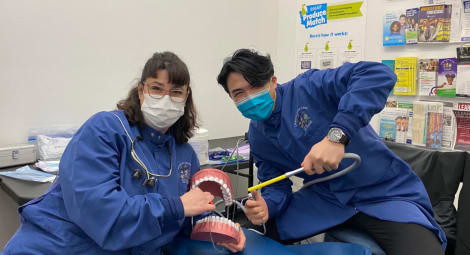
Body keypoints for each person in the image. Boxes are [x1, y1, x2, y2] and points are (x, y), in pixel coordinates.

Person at [3, 52, 246, 254]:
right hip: (60, 246)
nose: (165, 99)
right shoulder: (104, 130)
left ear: (186, 98)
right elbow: (102, 214)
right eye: (156, 88)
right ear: (141, 91)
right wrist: (176, 207)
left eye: (175, 92)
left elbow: (183, 217)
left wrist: (217, 230)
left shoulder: (184, 155)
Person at [216, 49, 446, 255]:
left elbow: (377, 75)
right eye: (239, 93)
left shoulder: (309, 87)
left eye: (255, 86)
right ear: (231, 98)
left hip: (383, 194)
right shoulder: (258, 135)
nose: (249, 98)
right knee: (249, 237)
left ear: (273, 81)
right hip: (326, 200)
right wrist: (267, 205)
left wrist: (336, 137)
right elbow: (276, 185)